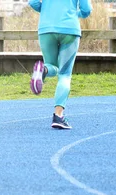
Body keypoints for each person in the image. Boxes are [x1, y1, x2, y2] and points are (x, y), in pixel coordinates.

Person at [28, 0, 92, 130]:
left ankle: (44, 70)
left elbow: (33, 2)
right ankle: (58, 116)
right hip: (69, 29)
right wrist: (76, 14)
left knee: (51, 65)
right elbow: (87, 10)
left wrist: (47, 11)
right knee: (64, 74)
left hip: (46, 29)